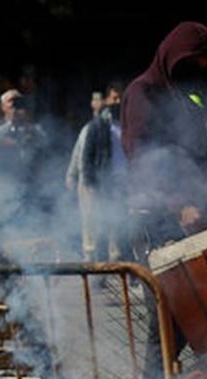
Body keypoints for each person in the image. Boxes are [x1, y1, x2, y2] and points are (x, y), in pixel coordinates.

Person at [120, 21, 207, 379]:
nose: (200, 69)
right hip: (155, 221)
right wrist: (179, 205)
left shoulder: (181, 97)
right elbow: (144, 161)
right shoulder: (142, 93)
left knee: (190, 312)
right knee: (167, 312)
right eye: (194, 60)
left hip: (187, 222)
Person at [79, 82, 128, 262]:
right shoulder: (97, 126)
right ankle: (101, 268)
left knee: (123, 228)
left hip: (125, 185)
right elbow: (86, 159)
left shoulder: (129, 123)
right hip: (104, 184)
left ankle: (122, 266)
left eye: (121, 97)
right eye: (114, 97)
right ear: (107, 100)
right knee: (101, 228)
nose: (118, 101)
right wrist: (90, 185)